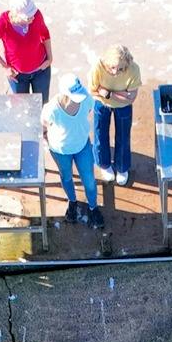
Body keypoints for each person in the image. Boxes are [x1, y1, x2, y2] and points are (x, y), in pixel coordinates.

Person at [42, 74, 102, 229]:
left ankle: (93, 207)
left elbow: (88, 109)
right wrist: (47, 139)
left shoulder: (86, 99)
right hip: (61, 150)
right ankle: (72, 201)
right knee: (66, 176)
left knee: (89, 179)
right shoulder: (52, 109)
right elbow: (44, 125)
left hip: (82, 146)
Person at [87, 44, 141, 187]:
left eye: (121, 68)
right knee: (100, 135)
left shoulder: (134, 69)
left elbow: (132, 98)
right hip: (101, 104)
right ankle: (104, 164)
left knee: (123, 137)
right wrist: (122, 94)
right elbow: (93, 90)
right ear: (106, 62)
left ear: (127, 64)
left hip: (122, 107)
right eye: (112, 68)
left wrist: (108, 93)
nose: (116, 72)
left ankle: (122, 167)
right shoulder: (98, 66)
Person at [0, 0, 52, 99]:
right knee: (23, 107)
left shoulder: (37, 15)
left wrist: (50, 58)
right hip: (18, 76)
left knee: (42, 105)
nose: (32, 18)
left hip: (41, 71)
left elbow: (45, 34)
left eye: (32, 13)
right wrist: (5, 67)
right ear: (16, 14)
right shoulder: (3, 24)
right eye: (28, 17)